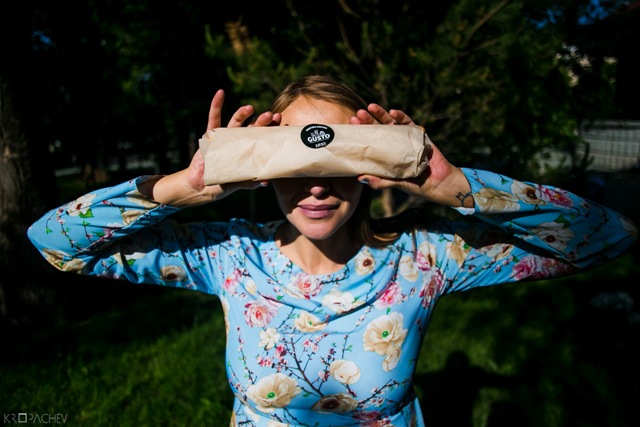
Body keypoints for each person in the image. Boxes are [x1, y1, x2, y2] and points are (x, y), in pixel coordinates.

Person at [27, 75, 637, 427]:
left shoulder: (425, 258)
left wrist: (454, 187)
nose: (316, 186)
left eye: (338, 160)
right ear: (264, 169)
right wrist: (182, 188)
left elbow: (605, 235)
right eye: (295, 163)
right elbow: (56, 242)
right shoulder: (228, 255)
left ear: (372, 165)